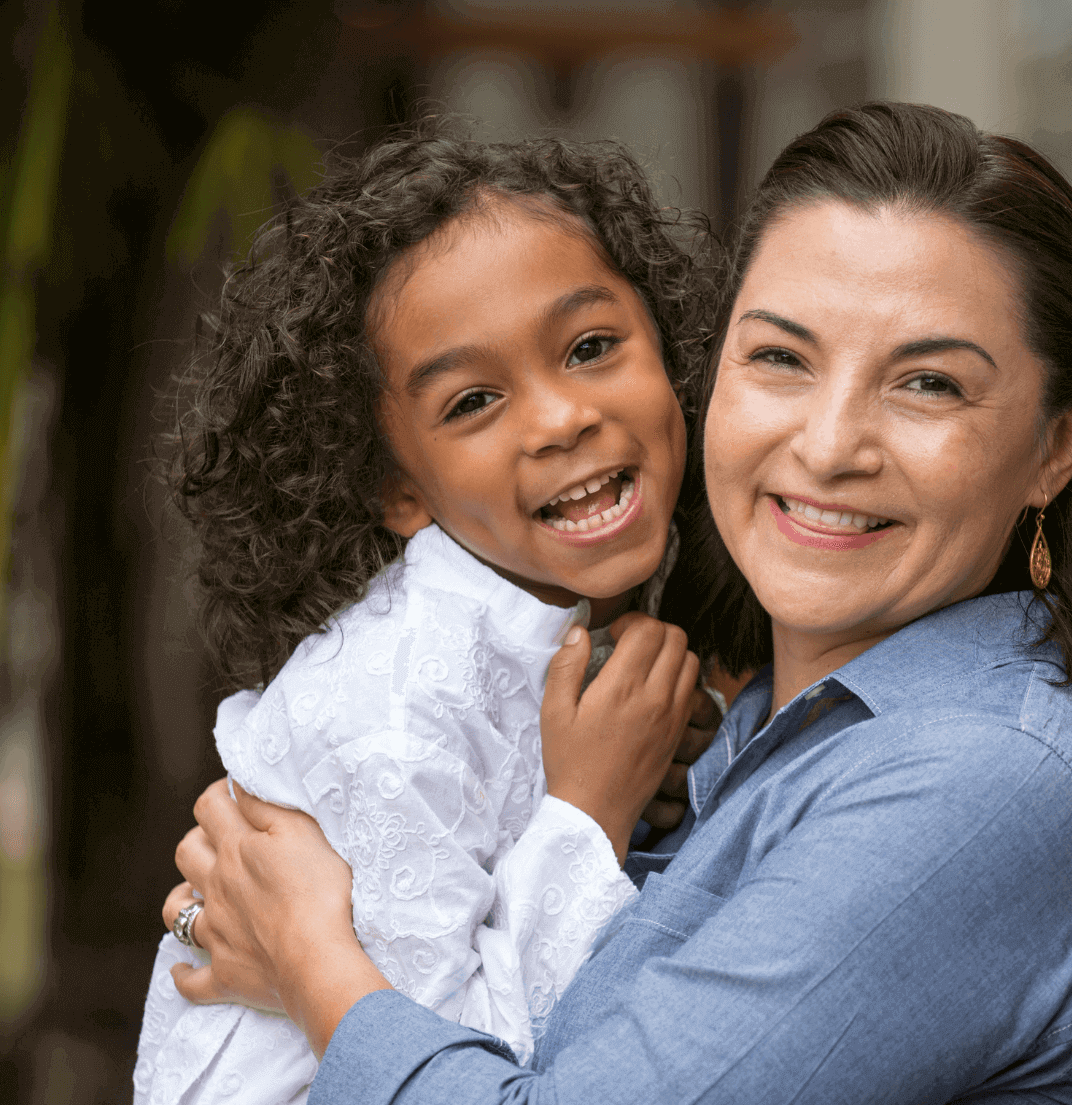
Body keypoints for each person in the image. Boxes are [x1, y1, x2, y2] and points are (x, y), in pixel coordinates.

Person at [163, 103, 1072, 1103]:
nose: (826, 445)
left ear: (1057, 442)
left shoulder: (986, 785)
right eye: (780, 358)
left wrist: (315, 963)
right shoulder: (731, 728)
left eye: (927, 383)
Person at [135, 127, 726, 1104]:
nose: (559, 418)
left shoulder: (568, 627)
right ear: (399, 490)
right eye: (473, 401)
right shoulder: (400, 708)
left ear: (669, 350)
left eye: (589, 348)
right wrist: (587, 814)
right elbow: (440, 1063)